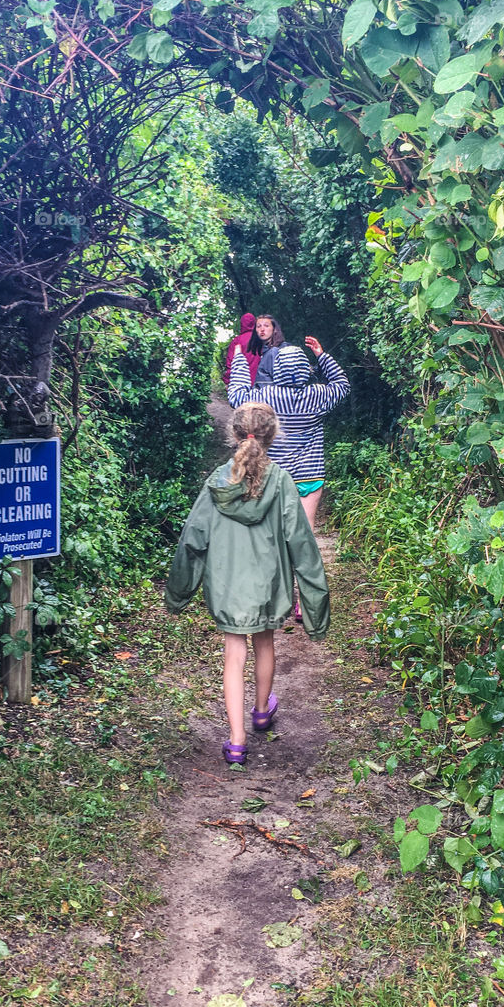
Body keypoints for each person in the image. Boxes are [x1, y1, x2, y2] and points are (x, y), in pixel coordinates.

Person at [165, 401, 330, 766]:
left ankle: (236, 741)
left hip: (227, 585)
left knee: (233, 655)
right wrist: (316, 606)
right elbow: (301, 545)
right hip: (269, 583)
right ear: (274, 436)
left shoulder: (217, 481)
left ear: (233, 434)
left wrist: (179, 592)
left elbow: (193, 539)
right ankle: (260, 712)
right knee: (265, 642)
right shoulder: (282, 482)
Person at [228, 336, 349, 618]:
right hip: (310, 478)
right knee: (304, 538)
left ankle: (274, 598)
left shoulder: (265, 398)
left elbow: (236, 394)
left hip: (275, 479)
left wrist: (240, 359)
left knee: (272, 537)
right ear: (305, 370)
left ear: (277, 369)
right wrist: (322, 354)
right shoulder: (317, 395)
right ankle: (304, 603)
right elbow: (342, 385)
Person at [223, 312, 261, 387]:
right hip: (259, 383)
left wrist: (228, 381)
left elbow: (230, 362)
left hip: (240, 382)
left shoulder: (237, 341)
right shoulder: (260, 340)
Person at [251, 313, 286, 385]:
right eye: (258, 326)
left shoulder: (277, 351)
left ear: (274, 329)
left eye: (266, 326)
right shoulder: (263, 352)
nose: (262, 329)